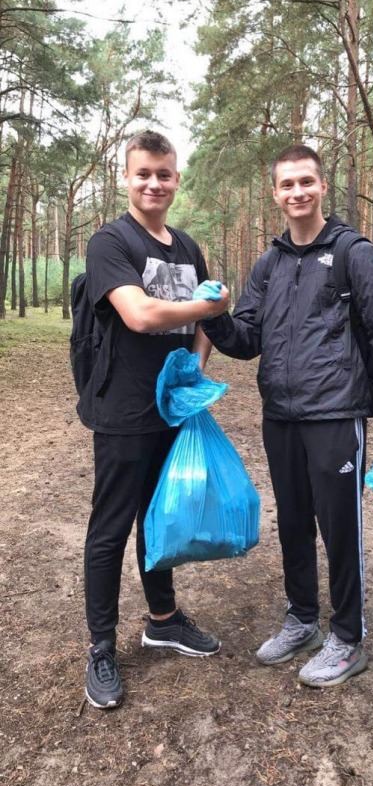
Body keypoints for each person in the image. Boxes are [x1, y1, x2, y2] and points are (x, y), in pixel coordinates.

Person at [201, 144, 373, 688]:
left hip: (335, 413)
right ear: (275, 194)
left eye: (306, 181)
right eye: (287, 184)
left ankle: (348, 637)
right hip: (280, 414)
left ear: (323, 186)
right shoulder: (269, 264)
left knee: (339, 526)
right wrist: (215, 315)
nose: (297, 192)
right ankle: (302, 619)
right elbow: (247, 339)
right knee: (294, 521)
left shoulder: (353, 252)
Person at [77, 130, 230, 709]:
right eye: (143, 173)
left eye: (164, 174)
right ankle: (101, 646)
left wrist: (195, 369)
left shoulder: (186, 246)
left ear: (176, 179)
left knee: (159, 516)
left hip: (172, 411)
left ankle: (163, 619)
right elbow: (139, 314)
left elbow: (202, 325)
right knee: (111, 527)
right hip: (124, 409)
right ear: (126, 177)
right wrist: (209, 305)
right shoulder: (110, 242)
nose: (153, 184)